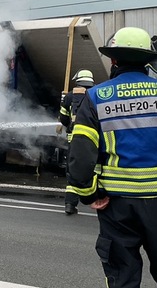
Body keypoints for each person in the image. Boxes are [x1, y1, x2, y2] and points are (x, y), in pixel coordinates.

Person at [67, 27, 157, 288]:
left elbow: (80, 158)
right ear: (148, 61)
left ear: (113, 60)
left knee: (122, 279)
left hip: (115, 206)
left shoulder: (95, 98)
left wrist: (89, 194)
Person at [59, 69, 95, 215]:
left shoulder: (69, 97)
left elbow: (63, 119)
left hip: (74, 141)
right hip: (93, 142)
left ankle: (70, 204)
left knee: (73, 171)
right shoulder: (96, 95)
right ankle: (99, 201)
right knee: (96, 170)